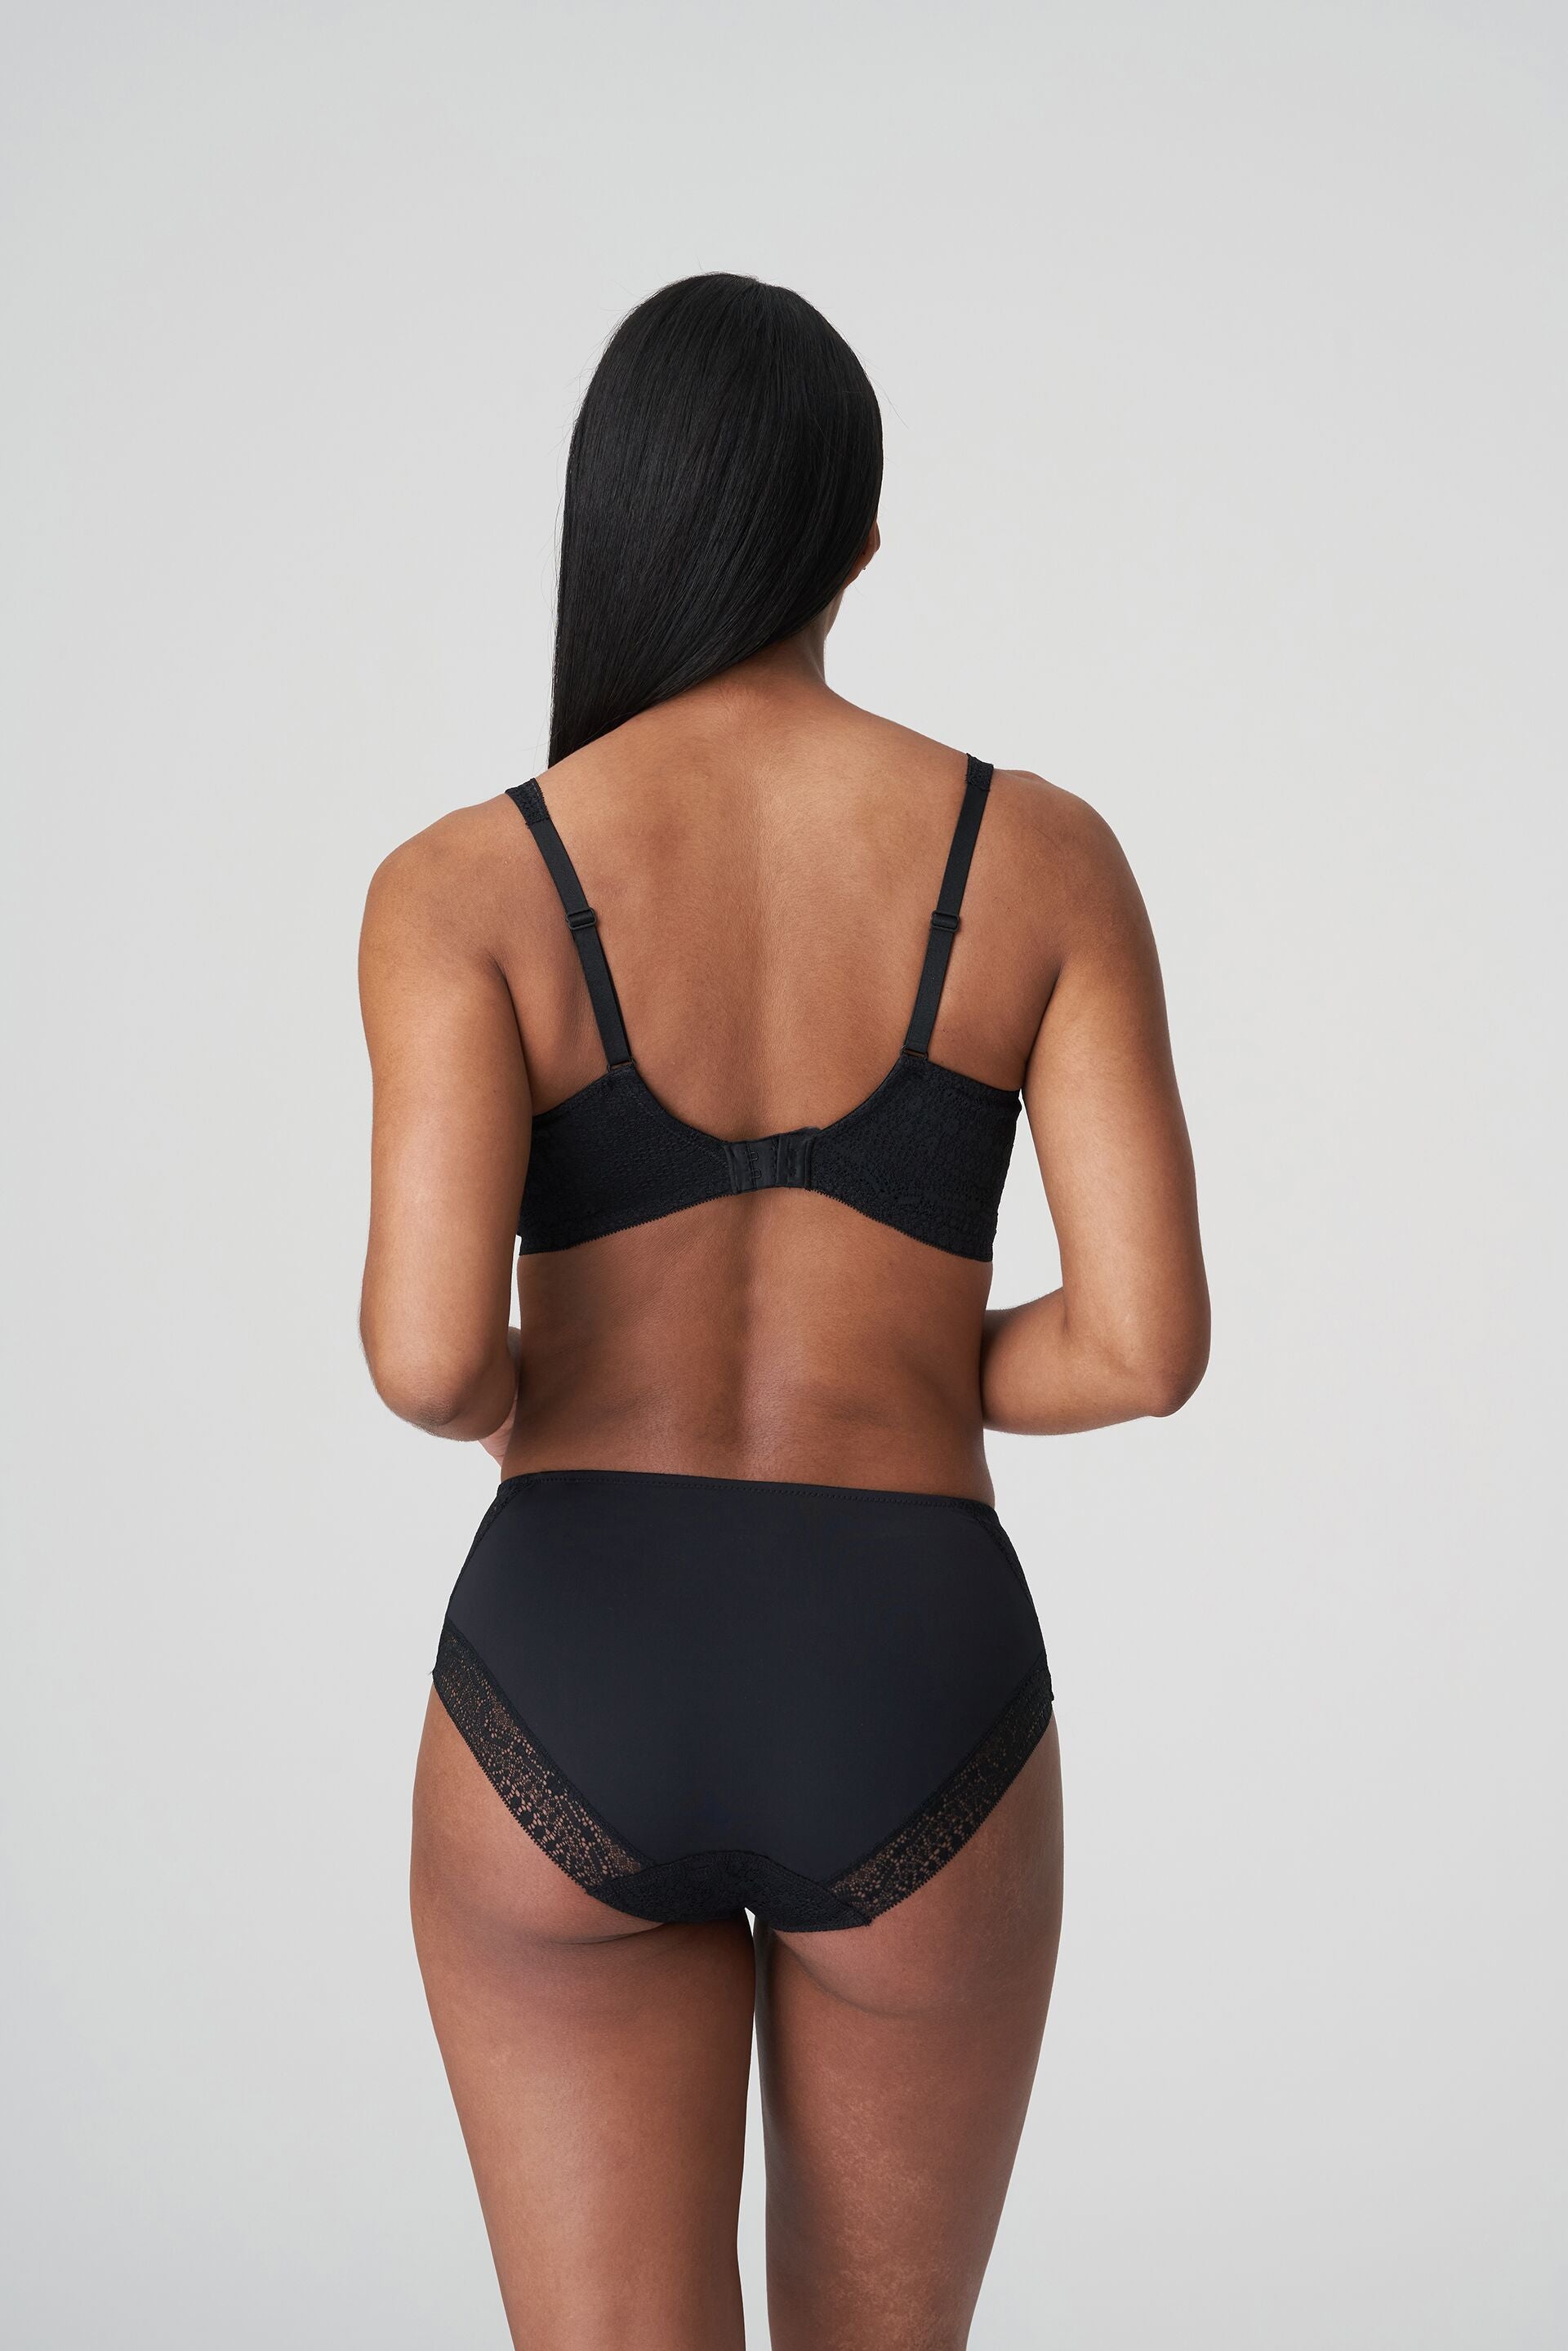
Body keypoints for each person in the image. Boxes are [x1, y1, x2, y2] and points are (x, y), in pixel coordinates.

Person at [359, 272, 1209, 2351]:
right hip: (911, 1674)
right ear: (858, 541)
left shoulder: (462, 886)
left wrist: (558, 1390)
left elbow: (430, 1357)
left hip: (571, 1668)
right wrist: (904, 1370)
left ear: (617, 523)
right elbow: (1143, 1345)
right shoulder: (1042, 859)